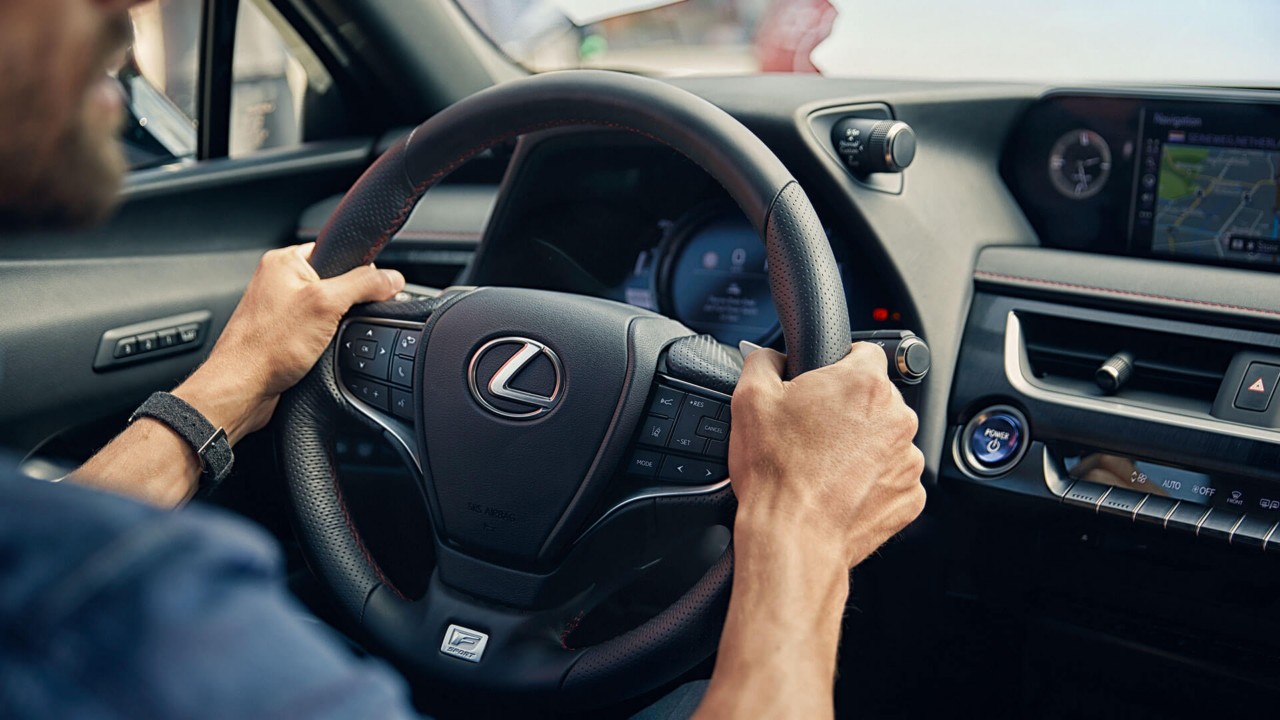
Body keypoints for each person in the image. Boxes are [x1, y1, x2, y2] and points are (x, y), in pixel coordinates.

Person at [0, 0, 926, 718]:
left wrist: (229, 385)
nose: (127, 17)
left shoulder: (64, 582)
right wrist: (801, 526)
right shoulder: (146, 623)